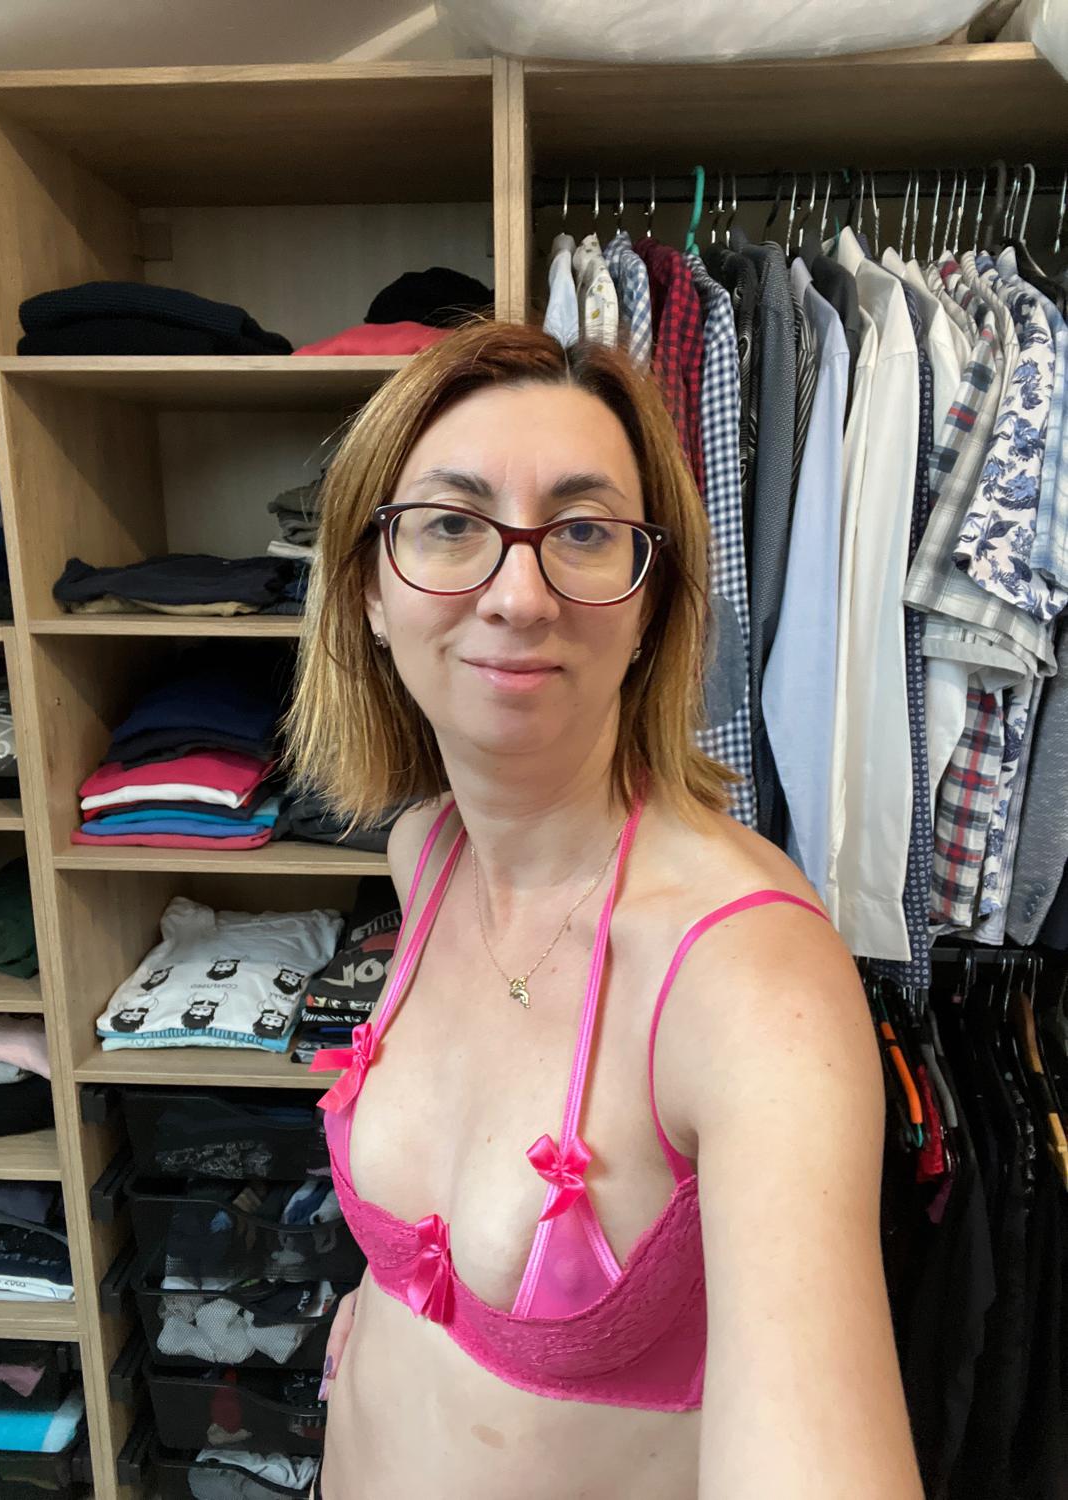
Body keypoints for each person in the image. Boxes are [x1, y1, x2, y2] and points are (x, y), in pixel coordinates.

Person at [285, 320, 924, 1500]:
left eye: (583, 532)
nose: (517, 595)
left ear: (648, 607)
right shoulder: (425, 854)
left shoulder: (752, 985)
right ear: (370, 588)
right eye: (450, 524)